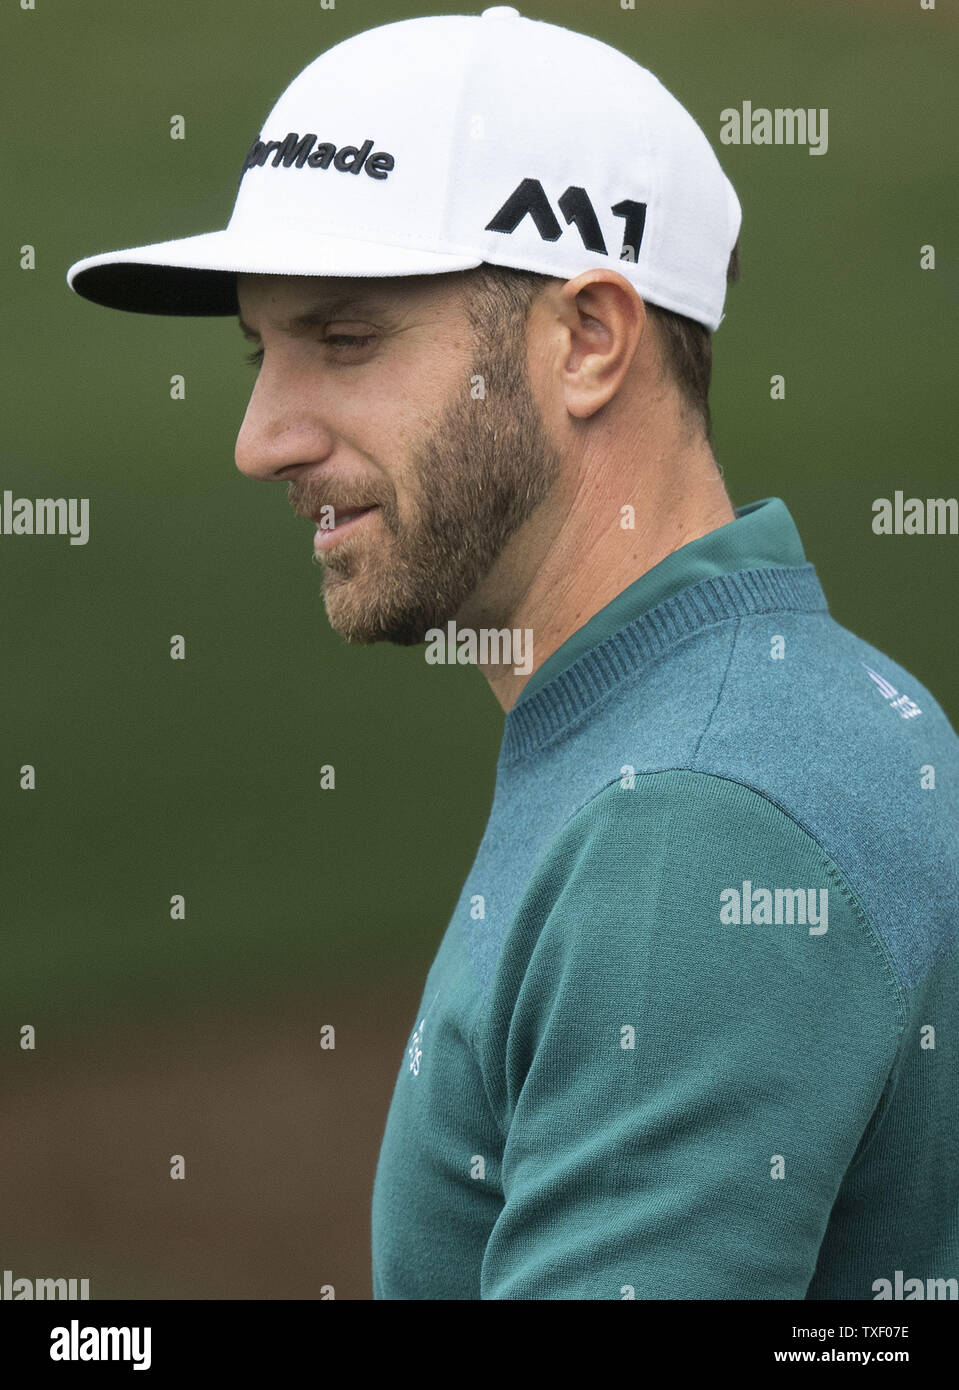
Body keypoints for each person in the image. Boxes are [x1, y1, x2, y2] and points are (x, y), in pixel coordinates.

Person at [68, 8, 958, 1301]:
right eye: (263, 352)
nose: (261, 439)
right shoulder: (808, 706)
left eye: (346, 339)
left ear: (589, 339)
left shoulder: (695, 830)